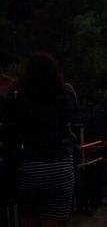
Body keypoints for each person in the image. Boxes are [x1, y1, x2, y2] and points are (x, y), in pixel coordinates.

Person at [9, 54, 78, 227]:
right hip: (60, 165)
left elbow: (13, 131)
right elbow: (73, 117)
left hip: (30, 167)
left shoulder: (20, 98)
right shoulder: (65, 95)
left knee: (29, 219)